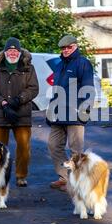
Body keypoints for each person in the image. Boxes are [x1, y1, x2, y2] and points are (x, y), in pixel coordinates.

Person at [0, 37, 39, 187]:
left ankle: (21, 176)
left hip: (21, 113)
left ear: (20, 51)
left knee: (23, 147)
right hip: (2, 114)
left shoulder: (28, 67)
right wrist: (3, 103)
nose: (12, 52)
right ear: (5, 52)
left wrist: (18, 100)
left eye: (15, 50)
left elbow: (33, 88)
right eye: (9, 50)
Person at [47, 34, 94, 192]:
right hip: (58, 113)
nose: (66, 50)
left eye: (69, 47)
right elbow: (56, 91)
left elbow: (88, 87)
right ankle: (65, 177)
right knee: (53, 145)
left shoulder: (83, 64)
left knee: (76, 150)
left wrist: (85, 109)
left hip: (75, 113)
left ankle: (77, 182)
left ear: (75, 46)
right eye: (63, 48)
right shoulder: (59, 65)